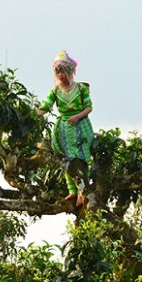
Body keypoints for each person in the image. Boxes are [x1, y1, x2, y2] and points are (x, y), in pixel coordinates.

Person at [38, 51, 94, 206]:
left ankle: (83, 192)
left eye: (63, 71)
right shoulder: (55, 91)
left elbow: (89, 107)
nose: (61, 75)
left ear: (70, 72)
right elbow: (46, 106)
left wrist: (77, 117)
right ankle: (72, 191)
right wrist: (32, 115)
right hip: (63, 129)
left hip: (80, 127)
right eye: (58, 72)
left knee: (81, 160)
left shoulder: (81, 88)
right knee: (65, 160)